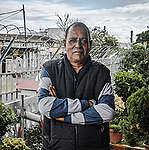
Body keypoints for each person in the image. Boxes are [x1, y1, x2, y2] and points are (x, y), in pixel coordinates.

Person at [38, 22, 115, 150]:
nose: (77, 45)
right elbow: (45, 106)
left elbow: (107, 112)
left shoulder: (101, 72)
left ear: (90, 45)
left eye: (83, 41)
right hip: (55, 146)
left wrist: (62, 116)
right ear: (64, 43)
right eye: (72, 40)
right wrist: (89, 104)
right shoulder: (50, 69)